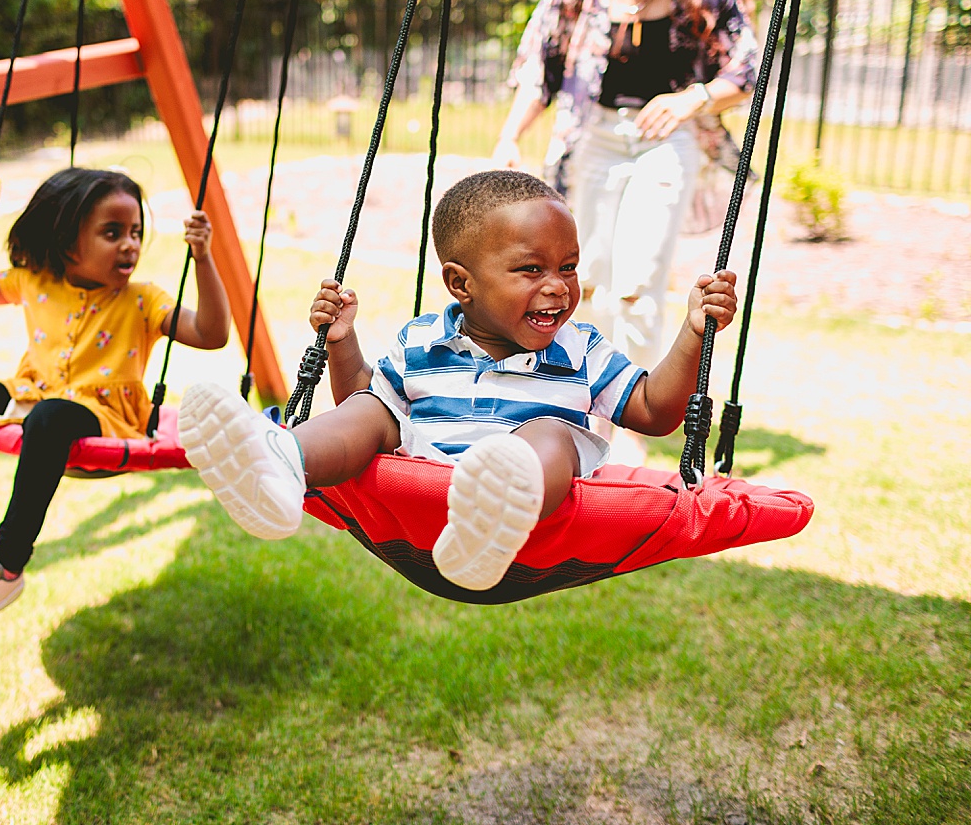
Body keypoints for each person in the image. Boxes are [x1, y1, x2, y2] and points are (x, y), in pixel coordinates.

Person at [178, 170, 737, 592]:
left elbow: (653, 411)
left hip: (526, 515)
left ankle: (494, 515)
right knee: (375, 409)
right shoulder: (421, 340)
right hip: (426, 486)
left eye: (568, 266)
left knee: (550, 433)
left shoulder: (581, 349)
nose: (558, 287)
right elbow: (362, 408)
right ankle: (277, 464)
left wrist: (692, 332)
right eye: (531, 269)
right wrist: (343, 342)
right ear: (461, 284)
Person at [0, 165, 231, 627]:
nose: (130, 244)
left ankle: (7, 564)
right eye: (112, 232)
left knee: (51, 418)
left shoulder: (143, 300)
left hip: (102, 417)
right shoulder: (33, 281)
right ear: (64, 238)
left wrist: (202, 259)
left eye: (135, 232)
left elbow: (212, 334)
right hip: (33, 401)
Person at [489, 0, 758, 426]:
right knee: (579, 280)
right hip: (593, 138)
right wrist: (511, 137)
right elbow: (542, 68)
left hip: (667, 140)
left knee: (637, 282)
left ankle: (627, 416)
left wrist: (693, 99)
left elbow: (745, 69)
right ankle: (564, 403)